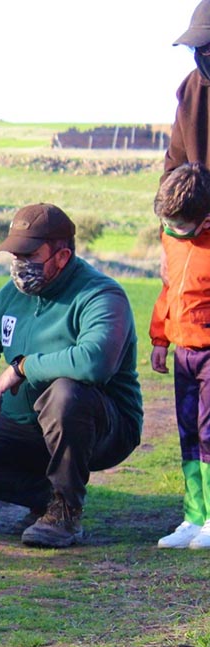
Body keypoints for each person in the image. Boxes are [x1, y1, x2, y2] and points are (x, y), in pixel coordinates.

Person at [0, 203, 143, 548]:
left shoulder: (101, 296)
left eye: (29, 255)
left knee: (65, 393)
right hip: (27, 426)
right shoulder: (11, 296)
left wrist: (23, 367)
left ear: (61, 257)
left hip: (101, 427)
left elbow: (95, 362)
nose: (18, 264)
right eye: (14, 254)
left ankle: (65, 512)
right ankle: (50, 495)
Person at [150, 163, 210, 549]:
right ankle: (194, 516)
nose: (173, 229)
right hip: (183, 353)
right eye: (167, 223)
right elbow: (169, 289)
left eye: (180, 224)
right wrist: (160, 338)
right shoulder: (170, 236)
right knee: (189, 433)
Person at [167, 0, 210, 178]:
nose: (200, 55)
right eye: (196, 48)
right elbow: (174, 172)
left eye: (207, 48)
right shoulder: (189, 91)